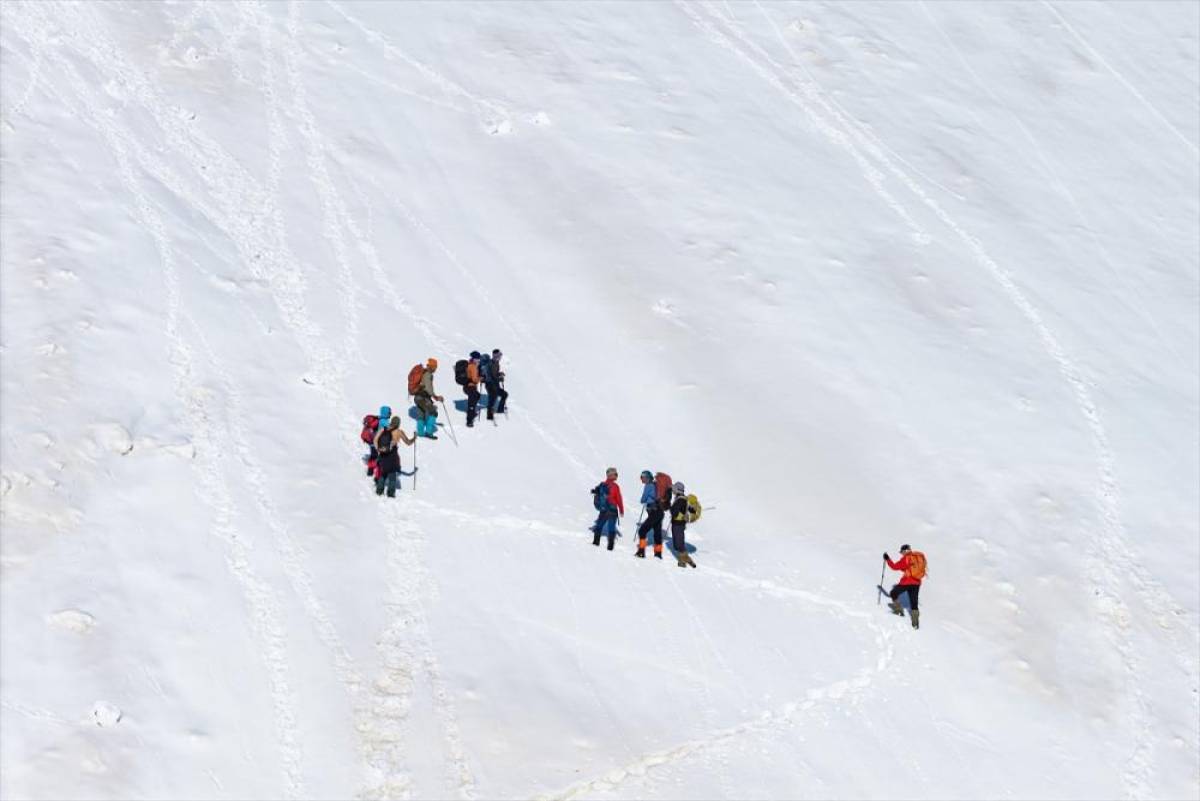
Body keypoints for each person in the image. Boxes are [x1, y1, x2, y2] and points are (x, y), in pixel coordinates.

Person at [884, 544, 926, 629]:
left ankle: (898, 610)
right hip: (917, 583)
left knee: (893, 593)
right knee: (914, 602)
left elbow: (894, 567)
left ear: (905, 551)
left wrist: (887, 559)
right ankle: (915, 623)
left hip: (907, 582)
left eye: (902, 552)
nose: (902, 554)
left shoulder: (906, 558)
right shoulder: (917, 557)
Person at [373, 417, 415, 497]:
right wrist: (414, 437)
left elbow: (375, 440)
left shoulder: (383, 429)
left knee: (383, 473)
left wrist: (379, 449)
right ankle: (390, 493)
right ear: (398, 423)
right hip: (392, 455)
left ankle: (379, 491)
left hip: (382, 455)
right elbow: (408, 442)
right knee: (392, 475)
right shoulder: (399, 432)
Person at [635, 470, 667, 559]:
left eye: (643, 477)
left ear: (647, 477)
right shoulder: (655, 485)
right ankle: (658, 553)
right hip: (660, 512)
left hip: (654, 511)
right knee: (657, 533)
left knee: (642, 530)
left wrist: (644, 500)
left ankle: (641, 551)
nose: (642, 479)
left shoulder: (648, 486)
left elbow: (643, 498)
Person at [590, 467, 624, 551]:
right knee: (611, 528)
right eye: (616, 474)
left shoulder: (602, 485)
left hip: (603, 509)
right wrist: (621, 510)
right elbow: (619, 499)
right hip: (612, 510)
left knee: (599, 525)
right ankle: (610, 547)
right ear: (611, 475)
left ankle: (595, 543)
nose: (617, 476)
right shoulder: (615, 486)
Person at [414, 357, 444, 439]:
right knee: (433, 412)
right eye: (435, 367)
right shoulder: (428, 374)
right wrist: (436, 397)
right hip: (423, 398)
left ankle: (420, 433)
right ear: (432, 366)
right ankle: (429, 432)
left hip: (417, 397)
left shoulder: (423, 373)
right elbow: (428, 388)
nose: (435, 369)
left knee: (421, 414)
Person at [669, 481, 696, 568]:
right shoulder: (683, 498)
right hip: (680, 524)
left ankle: (683, 561)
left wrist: (672, 509)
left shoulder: (680, 500)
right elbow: (689, 508)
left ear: (677, 490)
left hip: (677, 524)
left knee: (678, 543)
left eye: (674, 489)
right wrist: (692, 510)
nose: (672, 490)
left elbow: (674, 511)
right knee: (679, 542)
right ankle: (686, 559)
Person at [483, 348, 508, 420]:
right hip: (490, 384)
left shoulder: (496, 363)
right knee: (493, 397)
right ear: (495, 356)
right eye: (499, 356)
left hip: (495, 385)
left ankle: (500, 410)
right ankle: (489, 416)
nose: (500, 357)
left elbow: (495, 374)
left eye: (500, 356)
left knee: (504, 394)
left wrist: (500, 374)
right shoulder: (491, 364)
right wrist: (499, 377)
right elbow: (493, 376)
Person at [463, 352, 482, 428]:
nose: (478, 360)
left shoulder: (469, 364)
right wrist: (480, 378)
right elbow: (474, 380)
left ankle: (472, 412)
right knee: (472, 403)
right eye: (477, 359)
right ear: (474, 359)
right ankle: (469, 421)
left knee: (477, 396)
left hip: (467, 387)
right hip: (471, 387)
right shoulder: (473, 366)